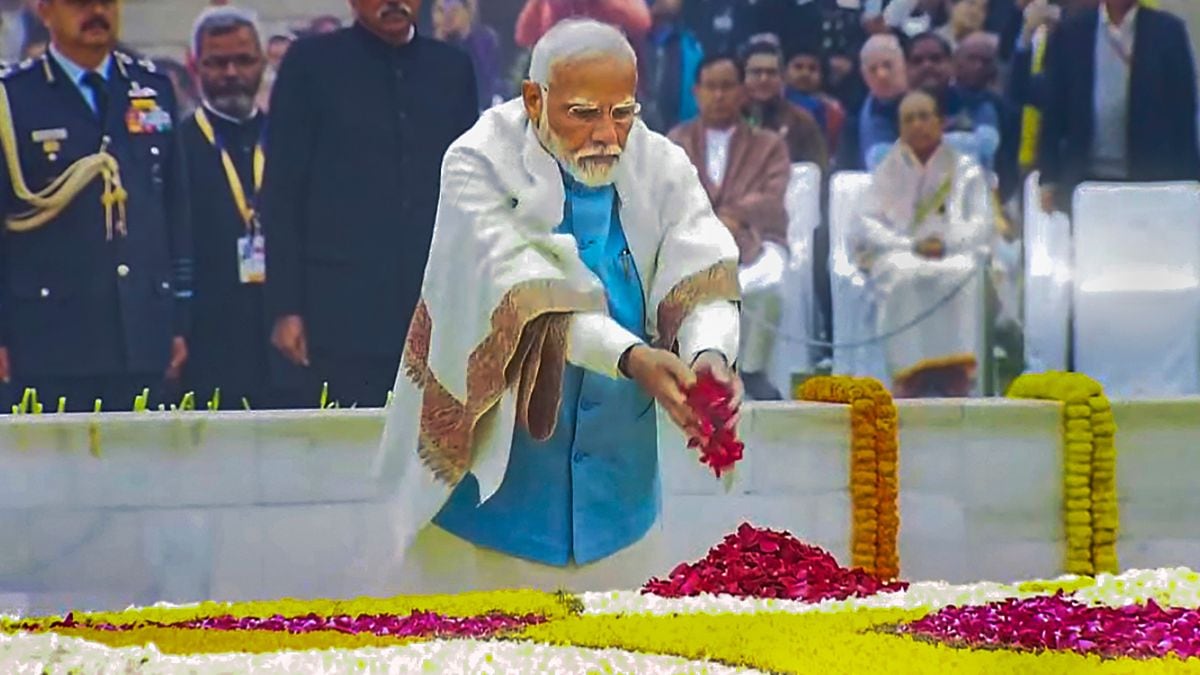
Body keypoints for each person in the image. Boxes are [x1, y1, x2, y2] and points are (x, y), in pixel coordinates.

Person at [378, 19, 742, 591]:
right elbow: (525, 291)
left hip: (620, 504)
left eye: (622, 112)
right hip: (491, 511)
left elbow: (702, 267)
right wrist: (633, 359)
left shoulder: (659, 162)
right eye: (583, 113)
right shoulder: (477, 161)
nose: (607, 134)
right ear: (533, 98)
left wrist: (709, 355)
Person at [261, 0, 478, 408]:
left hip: (435, 301)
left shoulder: (451, 68)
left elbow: (471, 189)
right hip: (339, 308)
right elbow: (283, 191)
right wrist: (286, 307)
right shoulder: (311, 65)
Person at [0, 0, 191, 412]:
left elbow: (173, 213)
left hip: (140, 330)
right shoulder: (13, 98)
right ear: (46, 11)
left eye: (106, 2)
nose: (96, 12)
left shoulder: (150, 89)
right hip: (49, 335)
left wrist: (179, 320)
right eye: (80, 3)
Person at [180, 6, 295, 409]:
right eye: (217, 63)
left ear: (263, 62)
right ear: (193, 65)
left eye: (243, 61)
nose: (231, 73)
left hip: (280, 333)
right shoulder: (177, 144)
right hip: (205, 335)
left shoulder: (287, 138)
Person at [669, 53, 789, 400]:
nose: (719, 95)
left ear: (742, 91)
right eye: (711, 87)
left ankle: (752, 370)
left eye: (727, 86)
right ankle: (696, 372)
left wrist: (735, 216)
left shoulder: (769, 145)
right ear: (696, 92)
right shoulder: (675, 142)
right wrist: (711, 223)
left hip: (756, 240)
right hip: (692, 242)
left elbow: (772, 198)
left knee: (768, 281)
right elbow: (665, 197)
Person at [857, 90, 991, 398]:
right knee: (903, 275)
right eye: (909, 119)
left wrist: (946, 243)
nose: (917, 125)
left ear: (941, 122)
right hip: (901, 252)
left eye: (924, 117)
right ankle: (910, 374)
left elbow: (981, 222)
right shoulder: (887, 170)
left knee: (962, 274)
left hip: (952, 251)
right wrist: (909, 245)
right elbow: (867, 222)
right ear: (900, 128)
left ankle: (956, 373)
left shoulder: (965, 169)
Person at [1038, 0, 1200, 214]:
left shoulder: (1168, 32)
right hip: (1085, 181)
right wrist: (1049, 178)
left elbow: (1184, 115)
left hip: (1150, 182)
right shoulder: (1071, 32)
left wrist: (1190, 184)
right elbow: (1053, 110)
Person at [740, 41, 829, 170]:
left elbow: (819, 171)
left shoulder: (802, 122)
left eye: (771, 73)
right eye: (756, 72)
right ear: (743, 77)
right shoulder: (726, 120)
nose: (764, 79)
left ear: (783, 78)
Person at [432, 0, 504, 110]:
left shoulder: (485, 40)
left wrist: (465, 36)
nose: (447, 17)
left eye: (454, 11)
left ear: (468, 12)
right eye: (441, 10)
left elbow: (484, 85)